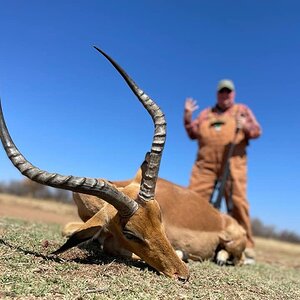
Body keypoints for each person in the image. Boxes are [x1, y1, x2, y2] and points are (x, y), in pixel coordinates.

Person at [184, 79, 261, 264]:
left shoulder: (241, 110)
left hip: (234, 162)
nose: (225, 95)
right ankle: (191, 239)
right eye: (222, 92)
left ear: (233, 94)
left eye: (228, 92)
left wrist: (245, 126)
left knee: (238, 201)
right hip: (205, 164)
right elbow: (192, 133)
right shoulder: (205, 114)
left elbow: (257, 131)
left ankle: (245, 246)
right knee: (193, 199)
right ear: (217, 94)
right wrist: (187, 116)